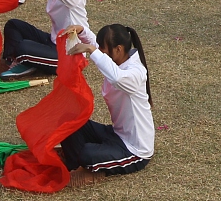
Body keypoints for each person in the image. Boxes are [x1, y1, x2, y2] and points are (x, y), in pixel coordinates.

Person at [58, 23, 154, 176]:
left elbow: (117, 78)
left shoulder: (136, 72)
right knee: (68, 121)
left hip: (134, 150)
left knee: (87, 153)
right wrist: (82, 31)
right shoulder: (118, 60)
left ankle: (83, 164)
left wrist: (91, 50)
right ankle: (75, 165)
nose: (100, 51)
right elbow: (102, 52)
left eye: (103, 49)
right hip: (116, 134)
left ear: (118, 49)